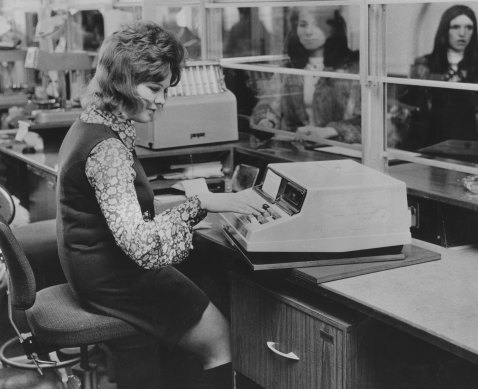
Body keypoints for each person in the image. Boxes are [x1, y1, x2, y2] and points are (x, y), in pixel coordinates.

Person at [56, 21, 263, 389]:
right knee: (222, 342)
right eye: (154, 88)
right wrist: (200, 204)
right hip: (113, 277)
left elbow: (122, 211)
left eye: (165, 89)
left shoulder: (94, 123)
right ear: (121, 80)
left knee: (209, 281)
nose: (162, 100)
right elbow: (140, 246)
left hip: (91, 266)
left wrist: (199, 204)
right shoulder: (108, 150)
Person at [251, 6, 361, 144]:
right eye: (302, 25)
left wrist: (330, 131)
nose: (308, 32)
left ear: (332, 29)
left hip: (341, 150)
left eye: (317, 25)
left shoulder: (353, 67)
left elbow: (371, 121)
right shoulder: (289, 68)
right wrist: (265, 121)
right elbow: (267, 105)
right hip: (297, 150)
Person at [392, 5, 478, 150]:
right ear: (445, 29)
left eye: (469, 27)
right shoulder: (425, 64)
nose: (462, 33)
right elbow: (411, 109)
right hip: (432, 142)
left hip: (470, 143)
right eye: (455, 27)